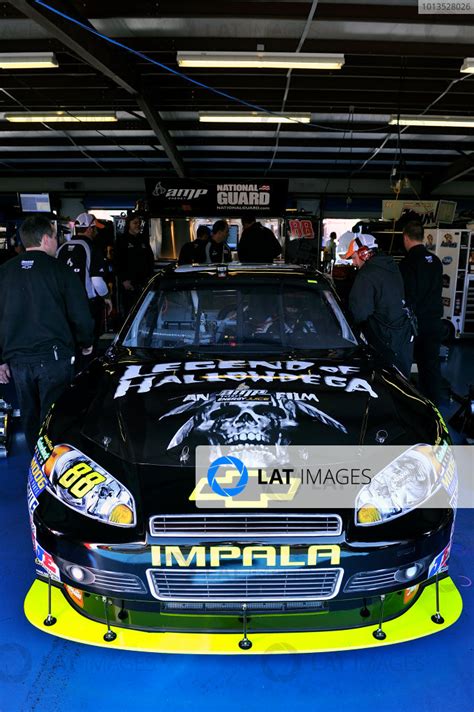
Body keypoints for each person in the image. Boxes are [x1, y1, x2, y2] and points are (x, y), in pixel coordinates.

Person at [0, 215, 94, 453]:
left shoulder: (4, 272)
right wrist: (86, 343)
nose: (57, 241)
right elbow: (80, 314)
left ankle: (35, 464)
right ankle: (54, 471)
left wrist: (1, 359)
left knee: (30, 418)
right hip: (54, 359)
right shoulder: (60, 271)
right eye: (55, 236)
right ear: (45, 239)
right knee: (54, 419)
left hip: (18, 361)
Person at [344, 234, 413, 378]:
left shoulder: (367, 274)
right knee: (401, 382)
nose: (353, 263)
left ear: (363, 254)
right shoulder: (391, 266)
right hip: (402, 335)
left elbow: (359, 313)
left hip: (384, 339)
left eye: (353, 257)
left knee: (384, 385)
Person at [400, 221, 443, 405]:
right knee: (431, 366)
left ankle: (411, 405)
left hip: (415, 324)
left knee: (404, 364)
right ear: (422, 237)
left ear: (405, 237)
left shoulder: (407, 263)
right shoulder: (435, 261)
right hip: (435, 321)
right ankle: (434, 406)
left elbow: (407, 296)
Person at [56, 212, 112, 351]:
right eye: (95, 228)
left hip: (64, 306)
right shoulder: (92, 248)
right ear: (89, 229)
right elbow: (97, 281)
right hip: (87, 306)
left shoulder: (61, 248)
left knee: (70, 344)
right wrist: (106, 297)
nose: (97, 231)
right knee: (89, 346)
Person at [114, 212, 155, 315]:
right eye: (135, 223)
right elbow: (117, 261)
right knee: (130, 311)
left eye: (139, 223)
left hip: (144, 282)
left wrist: (150, 278)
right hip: (129, 283)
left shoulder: (143, 239)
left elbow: (150, 259)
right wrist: (123, 280)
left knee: (145, 310)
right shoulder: (122, 240)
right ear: (129, 224)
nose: (138, 225)